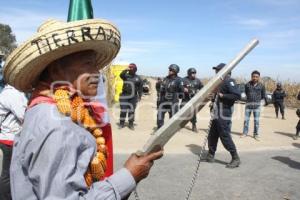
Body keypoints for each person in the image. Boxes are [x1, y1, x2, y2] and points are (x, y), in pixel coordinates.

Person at [3, 3, 163, 199]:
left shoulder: (50, 108)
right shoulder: (56, 123)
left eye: (96, 65)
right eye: (88, 64)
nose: (97, 73)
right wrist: (129, 175)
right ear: (55, 70)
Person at [206, 63, 241, 168]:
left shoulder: (229, 81)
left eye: (218, 70)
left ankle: (235, 158)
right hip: (216, 112)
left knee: (224, 135)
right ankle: (210, 155)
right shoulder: (219, 82)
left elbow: (236, 95)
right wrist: (213, 98)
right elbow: (216, 97)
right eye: (216, 70)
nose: (216, 72)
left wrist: (222, 96)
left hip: (223, 113)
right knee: (212, 134)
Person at [0, 84, 27, 200]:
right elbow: (24, 115)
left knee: (8, 173)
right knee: (8, 175)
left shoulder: (7, 92)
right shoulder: (13, 94)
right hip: (10, 139)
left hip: (7, 138)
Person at [157, 64, 184, 129]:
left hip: (173, 102)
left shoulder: (179, 80)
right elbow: (161, 89)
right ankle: (159, 129)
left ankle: (170, 130)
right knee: (159, 116)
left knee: (173, 118)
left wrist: (178, 96)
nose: (169, 71)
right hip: (163, 101)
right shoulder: (165, 79)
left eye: (171, 70)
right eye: (169, 70)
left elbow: (181, 91)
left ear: (175, 71)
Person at [241, 70, 267, 140]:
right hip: (248, 106)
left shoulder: (261, 86)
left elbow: (263, 95)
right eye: (253, 76)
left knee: (256, 121)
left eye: (256, 77)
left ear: (259, 77)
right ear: (251, 77)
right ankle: (245, 133)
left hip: (257, 106)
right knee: (246, 121)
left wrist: (258, 101)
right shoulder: (247, 85)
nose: (255, 78)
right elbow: (246, 93)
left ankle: (255, 134)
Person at [119, 63, 143, 130]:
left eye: (131, 67)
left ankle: (131, 124)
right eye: (129, 67)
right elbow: (121, 75)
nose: (130, 68)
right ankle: (121, 123)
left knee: (131, 111)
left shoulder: (138, 78)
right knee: (123, 110)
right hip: (124, 95)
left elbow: (140, 88)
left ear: (135, 69)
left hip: (133, 97)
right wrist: (125, 70)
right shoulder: (125, 76)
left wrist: (140, 96)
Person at [182, 68, 203, 132]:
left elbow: (202, 88)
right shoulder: (184, 80)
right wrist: (183, 89)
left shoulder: (198, 81)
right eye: (192, 73)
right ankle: (180, 124)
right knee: (182, 111)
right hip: (185, 99)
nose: (194, 74)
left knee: (193, 113)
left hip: (194, 99)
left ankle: (194, 125)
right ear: (189, 74)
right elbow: (180, 87)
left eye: (194, 73)